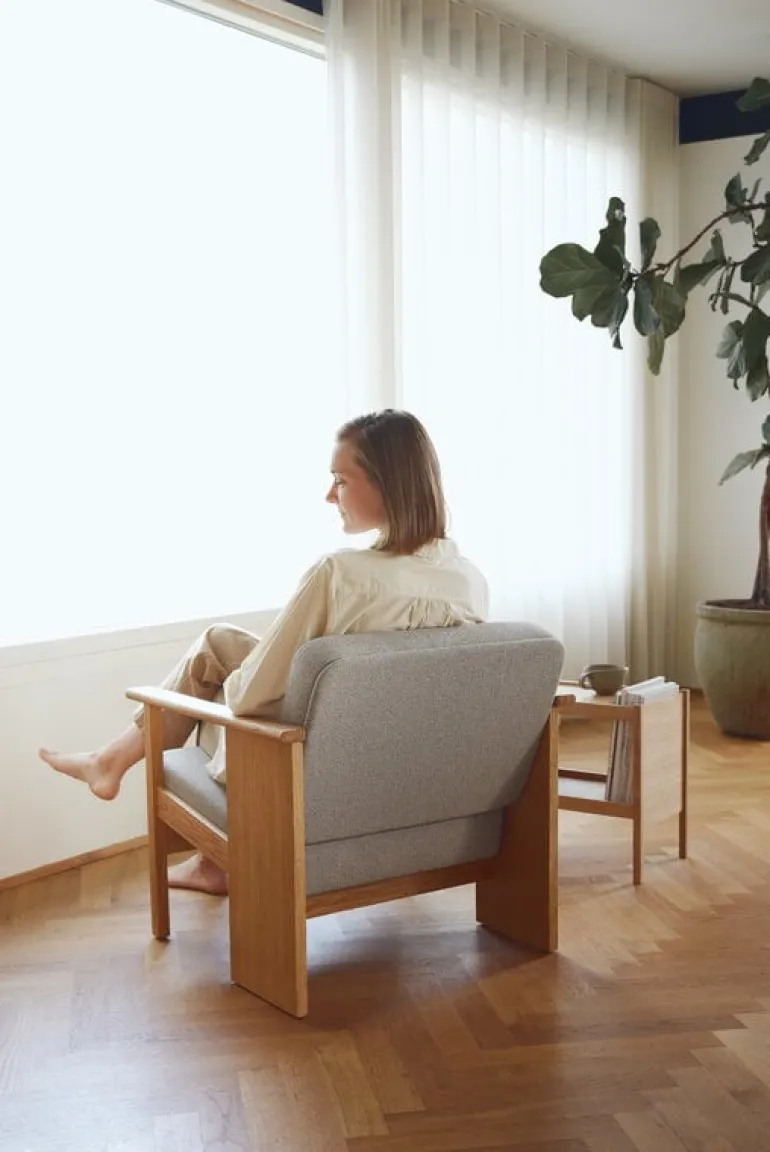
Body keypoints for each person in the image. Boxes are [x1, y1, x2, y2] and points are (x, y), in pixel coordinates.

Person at [40, 409, 488, 894]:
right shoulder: (468, 579)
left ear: (388, 483)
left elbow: (255, 695)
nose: (328, 495)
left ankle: (132, 783)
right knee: (219, 642)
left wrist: (225, 686)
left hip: (302, 762)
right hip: (395, 758)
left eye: (339, 480)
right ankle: (150, 803)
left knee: (215, 683)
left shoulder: (339, 576)